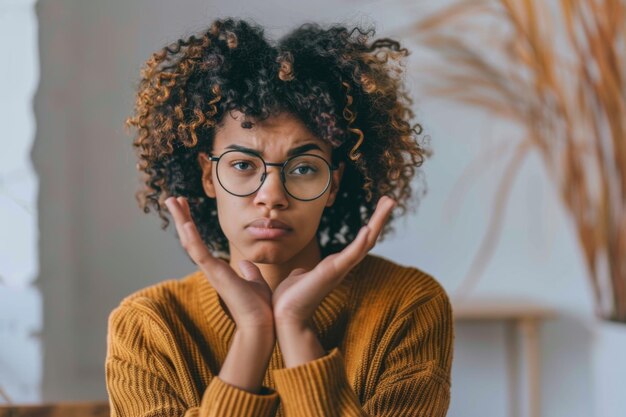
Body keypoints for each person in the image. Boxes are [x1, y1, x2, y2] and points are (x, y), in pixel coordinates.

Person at [106, 17, 454, 417]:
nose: (271, 196)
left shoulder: (406, 305)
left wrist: (295, 328)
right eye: (242, 165)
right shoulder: (149, 325)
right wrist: (253, 335)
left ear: (335, 184)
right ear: (208, 176)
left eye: (304, 168)